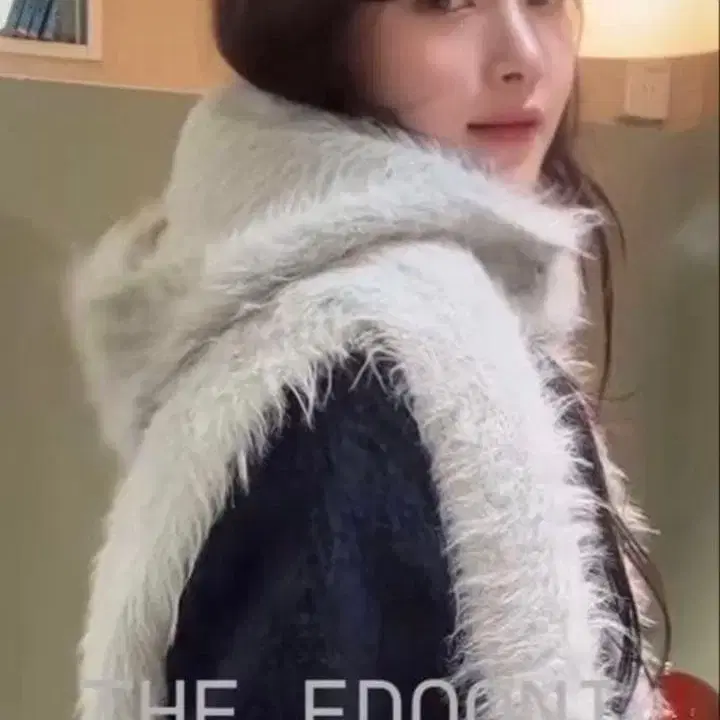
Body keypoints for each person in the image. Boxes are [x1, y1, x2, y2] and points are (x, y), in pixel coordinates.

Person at [69, 0, 670, 718]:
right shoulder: (360, 379)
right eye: (446, 3)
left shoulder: (376, 330)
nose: (525, 58)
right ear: (314, 25)